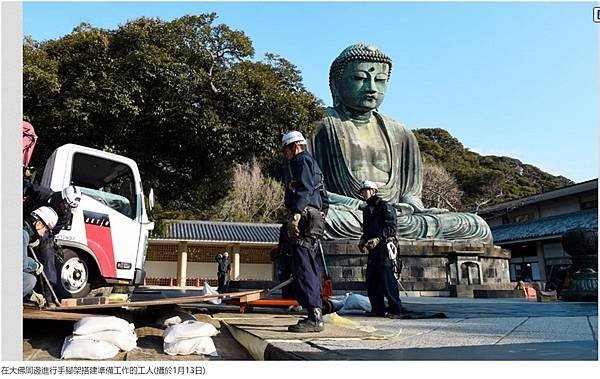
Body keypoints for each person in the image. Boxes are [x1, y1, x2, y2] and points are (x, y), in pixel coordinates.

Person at [310, 44, 492, 243]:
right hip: (349, 215)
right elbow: (311, 191)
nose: (371, 88)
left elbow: (410, 195)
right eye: (360, 78)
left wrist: (413, 207)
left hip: (398, 217)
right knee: (321, 219)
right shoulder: (320, 127)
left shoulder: (401, 133)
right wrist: (361, 205)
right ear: (336, 84)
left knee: (475, 225)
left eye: (380, 80)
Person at [282, 130, 329, 333]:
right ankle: (315, 309)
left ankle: (314, 316)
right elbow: (323, 196)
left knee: (303, 266)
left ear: (295, 146)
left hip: (305, 216)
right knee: (310, 263)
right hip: (315, 216)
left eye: (287, 149)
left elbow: (303, 188)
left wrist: (297, 213)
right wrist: (321, 215)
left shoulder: (301, 161)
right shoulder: (314, 165)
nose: (286, 154)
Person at [23, 183, 82, 305]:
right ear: (62, 198)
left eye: (70, 208)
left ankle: (48, 298)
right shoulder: (43, 194)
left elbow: (52, 231)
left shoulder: (66, 215)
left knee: (48, 259)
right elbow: (24, 186)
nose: (67, 210)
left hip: (42, 234)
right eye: (66, 206)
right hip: (25, 222)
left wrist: (39, 239)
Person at [358, 180, 402, 318]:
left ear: (374, 191)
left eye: (366, 190)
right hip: (373, 247)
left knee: (386, 276)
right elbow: (367, 228)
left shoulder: (385, 207)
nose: (363, 193)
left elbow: (391, 227)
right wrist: (363, 239)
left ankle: (395, 308)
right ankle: (377, 308)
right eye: (362, 191)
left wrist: (379, 238)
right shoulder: (366, 210)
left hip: (385, 246)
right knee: (372, 278)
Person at [23, 206, 58, 306]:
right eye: (45, 230)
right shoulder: (23, 235)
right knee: (30, 280)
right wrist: (36, 265)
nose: (43, 235)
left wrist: (30, 294)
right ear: (38, 224)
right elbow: (21, 264)